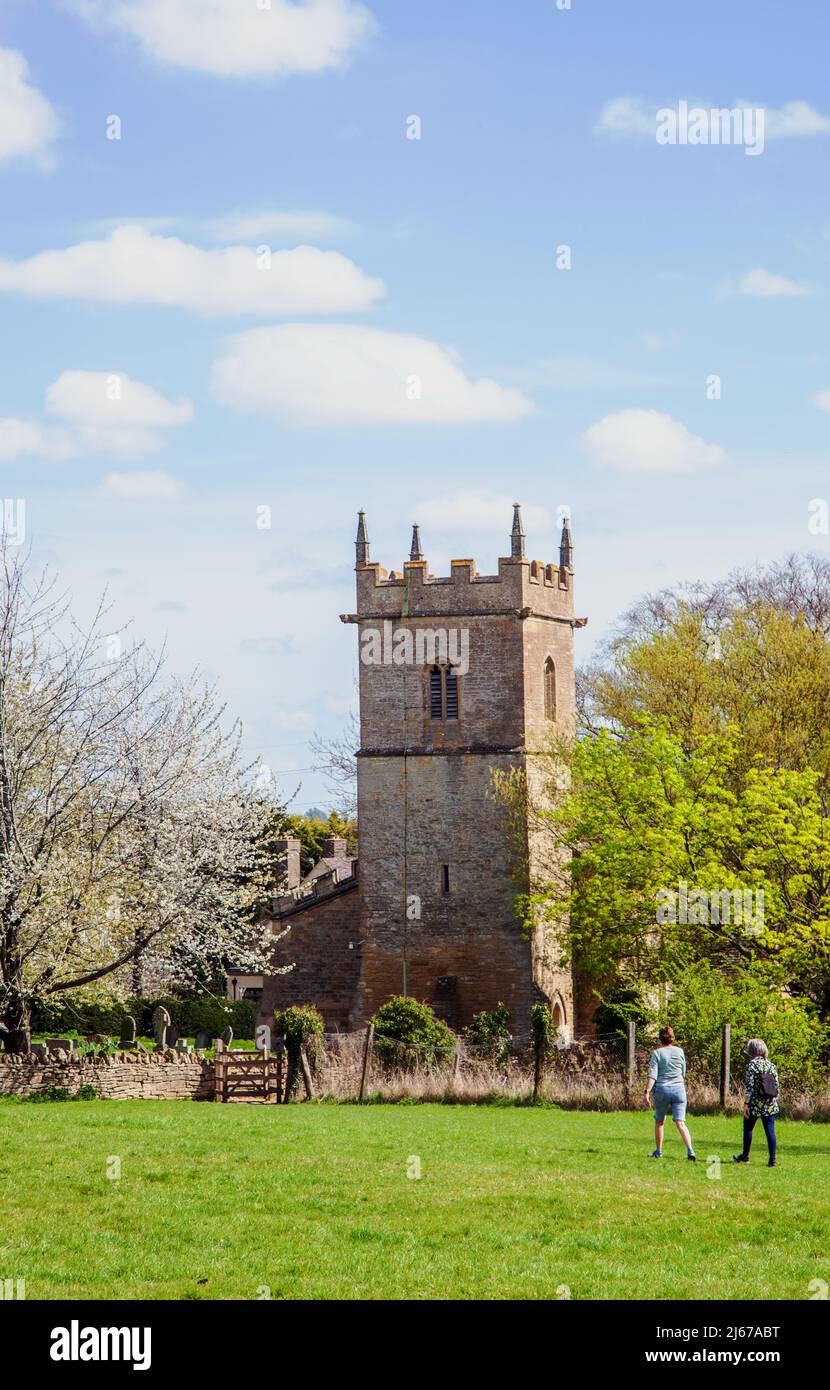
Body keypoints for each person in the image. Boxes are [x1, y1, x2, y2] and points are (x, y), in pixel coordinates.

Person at [644, 1025, 696, 1160]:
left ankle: (659, 1151)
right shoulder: (680, 1052)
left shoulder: (657, 1053)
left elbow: (653, 1075)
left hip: (662, 1090)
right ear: (673, 1038)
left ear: (660, 1039)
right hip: (679, 1089)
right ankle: (690, 1150)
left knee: (660, 1122)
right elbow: (683, 1071)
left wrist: (647, 1092)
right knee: (680, 1122)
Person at [733, 1038, 779, 1167]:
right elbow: (777, 1086)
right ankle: (772, 1160)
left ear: (751, 1051)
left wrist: (746, 1104)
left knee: (748, 1128)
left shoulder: (752, 1065)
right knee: (770, 1131)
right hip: (770, 1103)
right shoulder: (771, 1065)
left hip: (755, 1103)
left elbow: (750, 1087)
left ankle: (745, 1156)